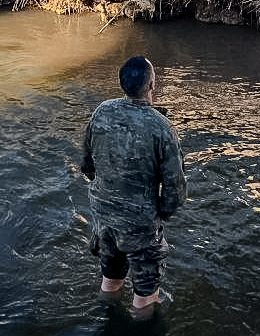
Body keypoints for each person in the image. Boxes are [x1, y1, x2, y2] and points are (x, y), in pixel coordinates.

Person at [80, 56, 187, 318]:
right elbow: (175, 190)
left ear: (122, 84)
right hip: (140, 224)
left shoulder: (102, 111)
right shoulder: (162, 128)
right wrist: (160, 214)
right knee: (145, 295)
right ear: (151, 84)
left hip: (103, 216)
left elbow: (87, 165)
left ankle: (106, 325)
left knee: (110, 280)